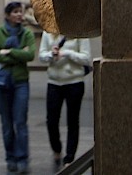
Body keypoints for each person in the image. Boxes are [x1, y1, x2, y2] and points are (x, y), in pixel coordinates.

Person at [0, 1, 36, 173]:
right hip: (2, 84)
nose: (19, 15)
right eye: (16, 12)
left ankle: (23, 158)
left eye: (21, 12)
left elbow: (30, 55)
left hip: (21, 83)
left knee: (20, 121)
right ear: (8, 15)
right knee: (7, 124)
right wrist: (19, 54)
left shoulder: (27, 34)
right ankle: (10, 157)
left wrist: (8, 51)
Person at [39, 31, 92, 169]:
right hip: (54, 82)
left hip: (74, 82)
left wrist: (67, 53)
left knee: (73, 120)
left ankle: (70, 157)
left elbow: (86, 58)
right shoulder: (48, 32)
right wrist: (52, 54)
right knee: (51, 120)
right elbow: (41, 55)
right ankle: (57, 149)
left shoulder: (80, 31)